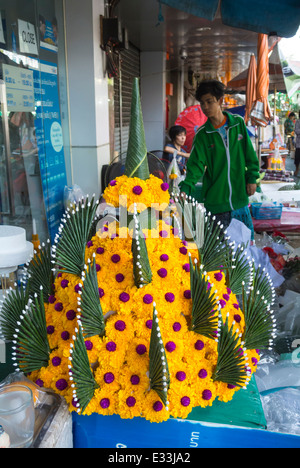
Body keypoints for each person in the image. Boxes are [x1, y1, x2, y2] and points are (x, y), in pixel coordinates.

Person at [179, 79, 260, 237]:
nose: (205, 107)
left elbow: (250, 155)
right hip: (216, 203)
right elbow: (195, 166)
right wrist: (186, 188)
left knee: (244, 250)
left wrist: (252, 178)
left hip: (239, 199)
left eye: (209, 102)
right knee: (219, 253)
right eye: (202, 103)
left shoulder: (237, 124)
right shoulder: (203, 135)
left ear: (220, 101)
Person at [294, 111, 300, 177]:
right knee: (297, 158)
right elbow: (296, 131)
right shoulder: (298, 121)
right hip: (299, 144)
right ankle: (297, 169)